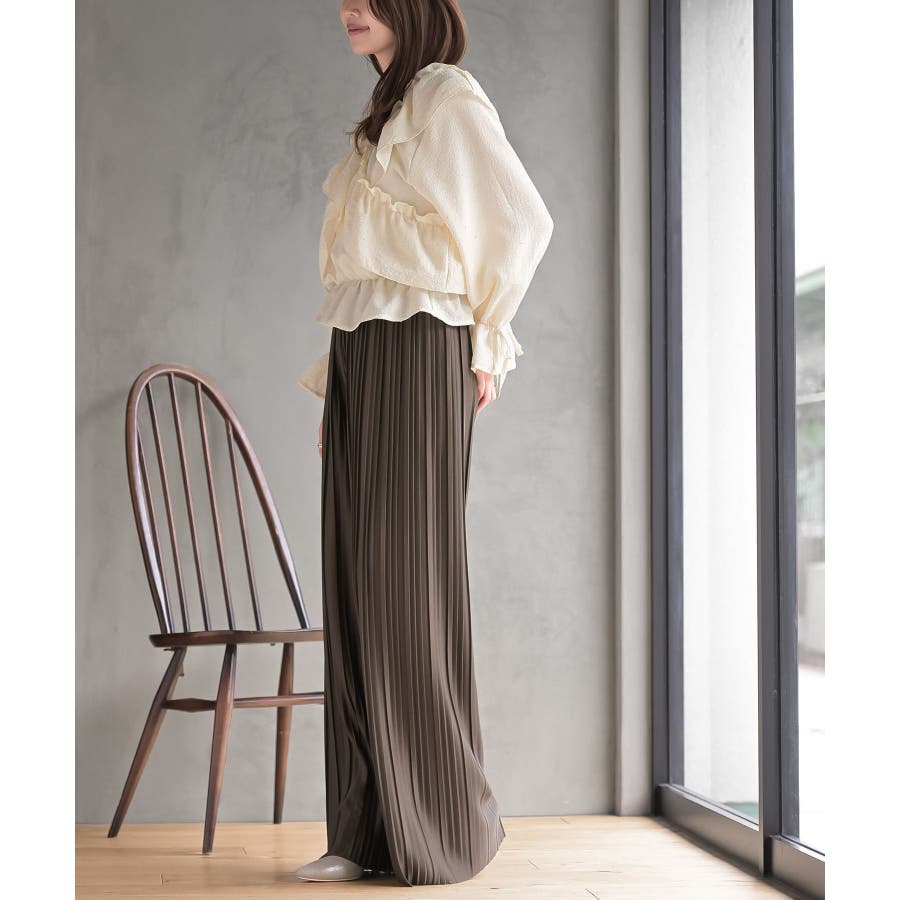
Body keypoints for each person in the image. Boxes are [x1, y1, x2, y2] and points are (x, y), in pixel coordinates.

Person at [294, 0, 553, 887]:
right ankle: (363, 833)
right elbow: (369, 273)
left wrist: (487, 339)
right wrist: (340, 390)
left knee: (404, 586)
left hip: (419, 351)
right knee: (356, 588)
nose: (349, 9)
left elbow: (521, 221)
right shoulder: (389, 111)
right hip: (364, 354)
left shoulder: (446, 95)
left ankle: (440, 830)